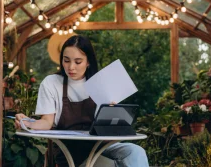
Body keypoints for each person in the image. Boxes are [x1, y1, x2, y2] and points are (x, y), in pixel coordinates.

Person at [14, 35, 149, 167]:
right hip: (69, 152)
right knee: (107, 164)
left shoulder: (101, 84)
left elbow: (107, 134)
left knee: (136, 152)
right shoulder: (51, 83)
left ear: (88, 62)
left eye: (78, 62)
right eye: (66, 60)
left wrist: (111, 118)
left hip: (99, 147)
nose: (71, 67)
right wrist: (28, 123)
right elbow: (47, 122)